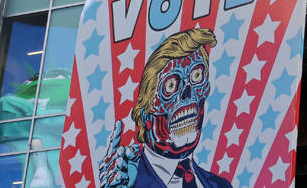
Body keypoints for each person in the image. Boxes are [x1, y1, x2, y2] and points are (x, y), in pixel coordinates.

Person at [99, 29, 232, 187]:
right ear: (145, 114)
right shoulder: (128, 181)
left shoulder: (220, 185)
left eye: (197, 76)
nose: (187, 94)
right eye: (170, 86)